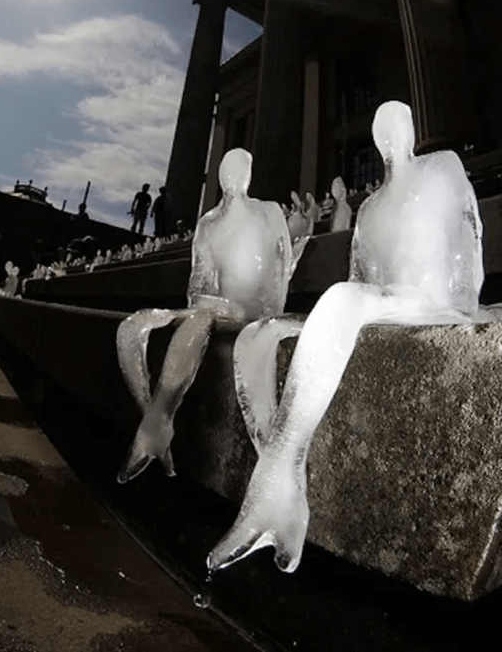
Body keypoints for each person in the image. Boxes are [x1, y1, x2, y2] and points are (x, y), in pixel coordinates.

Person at [208, 101, 488, 577]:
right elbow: (361, 275)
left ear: (411, 130)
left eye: (396, 125)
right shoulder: (372, 208)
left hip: (433, 302)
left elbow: (470, 235)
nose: (389, 135)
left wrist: (462, 306)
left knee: (340, 300)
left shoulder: (443, 169)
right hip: (389, 304)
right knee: (259, 334)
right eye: (381, 130)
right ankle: (279, 482)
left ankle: (277, 479)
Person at [117, 149, 293, 483]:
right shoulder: (208, 223)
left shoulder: (269, 213)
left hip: (254, 311)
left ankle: (157, 423)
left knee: (199, 323)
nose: (235, 176)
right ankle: (155, 422)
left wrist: (267, 313)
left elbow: (280, 272)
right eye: (228, 170)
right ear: (221, 177)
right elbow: (197, 285)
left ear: (249, 175)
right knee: (132, 327)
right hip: (219, 308)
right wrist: (215, 305)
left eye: (241, 169)